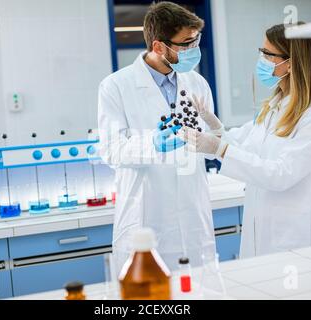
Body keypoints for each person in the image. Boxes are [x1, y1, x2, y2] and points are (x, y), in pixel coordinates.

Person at [183, 22, 311, 258]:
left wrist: (220, 148)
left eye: (267, 54)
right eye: (261, 52)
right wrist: (215, 129)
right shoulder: (275, 106)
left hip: (298, 239)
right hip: (261, 233)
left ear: (292, 62)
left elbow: (280, 175)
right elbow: (244, 145)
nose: (261, 59)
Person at [97, 2, 216, 272]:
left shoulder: (197, 83)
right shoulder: (116, 86)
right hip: (146, 216)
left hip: (193, 215)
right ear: (159, 46)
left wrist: (216, 140)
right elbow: (111, 150)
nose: (193, 49)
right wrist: (151, 144)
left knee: (198, 289)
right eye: (186, 43)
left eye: (196, 40)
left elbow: (209, 144)